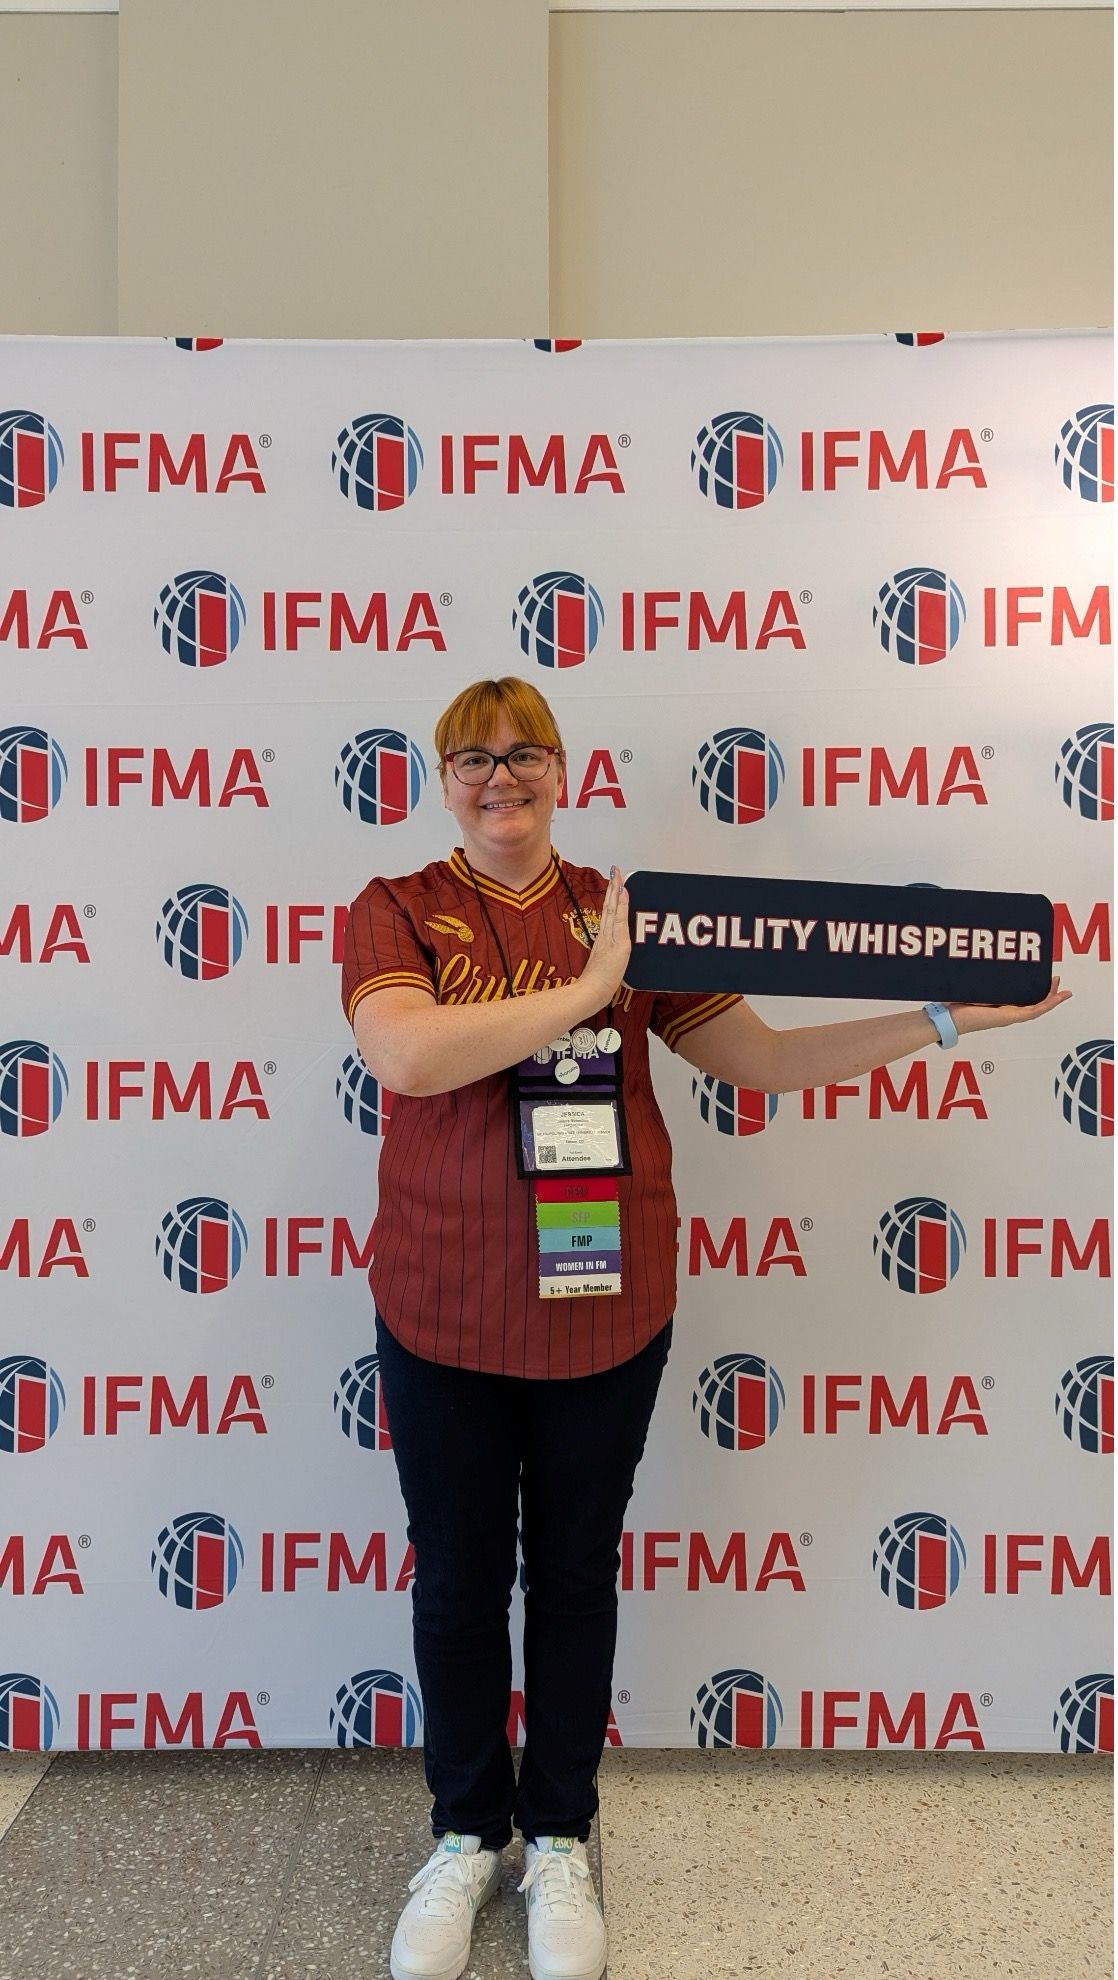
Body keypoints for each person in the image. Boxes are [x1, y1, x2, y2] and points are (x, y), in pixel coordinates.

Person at [341, 675, 1069, 1980]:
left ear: (562, 767)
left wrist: (952, 1017)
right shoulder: (398, 908)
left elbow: (762, 1062)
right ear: (438, 776)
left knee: (573, 1575)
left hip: (604, 1311)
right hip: (442, 1311)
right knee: (457, 1583)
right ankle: (465, 1835)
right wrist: (589, 992)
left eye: (524, 754)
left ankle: (558, 1835)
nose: (499, 778)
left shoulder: (626, 914)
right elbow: (407, 1056)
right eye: (472, 758)